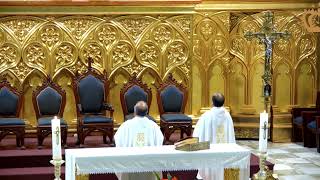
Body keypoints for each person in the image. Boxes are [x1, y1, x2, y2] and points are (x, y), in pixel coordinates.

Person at [114, 101, 164, 180]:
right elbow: (160, 141)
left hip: (130, 162)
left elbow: (118, 139)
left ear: (134, 112)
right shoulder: (153, 125)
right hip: (149, 162)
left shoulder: (126, 125)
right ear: (147, 112)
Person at [193, 93, 236, 180]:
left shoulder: (206, 116)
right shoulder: (227, 116)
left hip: (210, 152)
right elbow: (231, 135)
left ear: (212, 103)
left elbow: (197, 134)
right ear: (223, 103)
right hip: (224, 153)